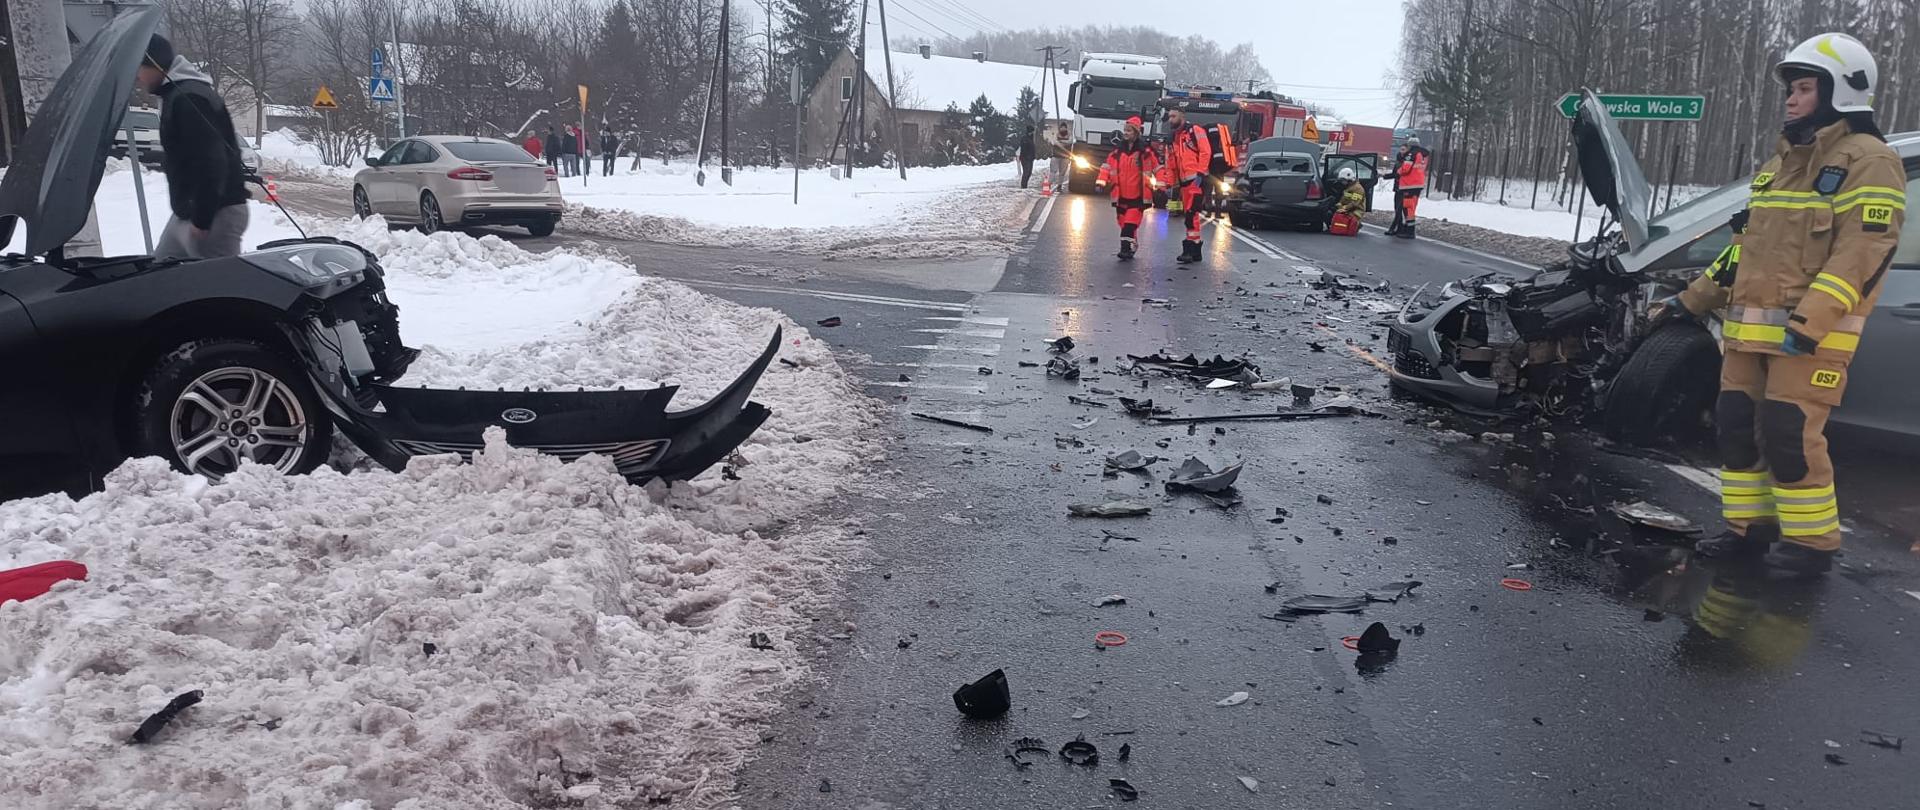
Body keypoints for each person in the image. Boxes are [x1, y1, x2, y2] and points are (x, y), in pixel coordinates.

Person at [1675, 32, 1904, 577]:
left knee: (1788, 432)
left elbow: (1864, 252)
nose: (1792, 98)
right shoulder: (1782, 165)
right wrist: (1691, 300)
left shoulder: (1871, 161)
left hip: (1810, 339)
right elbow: (1744, 249)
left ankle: (1812, 544)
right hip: (1748, 334)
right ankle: (1746, 530)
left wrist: (1810, 323)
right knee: (1734, 424)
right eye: (1793, 89)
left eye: (1805, 88)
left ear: (1839, 91)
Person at [134, 35, 249, 261]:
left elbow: (212, 161)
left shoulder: (190, 99)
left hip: (216, 214)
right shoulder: (177, 95)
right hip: (189, 213)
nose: (137, 77)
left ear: (155, 64)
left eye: (139, 68)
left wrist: (202, 218)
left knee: (217, 290)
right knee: (160, 277)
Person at [1093, 116, 1160, 259]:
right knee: (1123, 224)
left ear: (1136, 132)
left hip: (1138, 197)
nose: (1125, 133)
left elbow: (1158, 169)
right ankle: (1131, 244)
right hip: (1121, 196)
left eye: (1129, 130)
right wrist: (1100, 182)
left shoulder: (1145, 152)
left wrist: (1162, 186)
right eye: (1125, 130)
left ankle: (1125, 250)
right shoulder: (1117, 152)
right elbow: (1106, 168)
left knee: (1129, 226)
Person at [1156, 107, 1214, 263]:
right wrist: (1168, 184)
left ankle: (1189, 250)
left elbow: (1205, 151)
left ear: (1182, 116)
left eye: (1173, 116)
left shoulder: (1195, 131)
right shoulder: (1173, 138)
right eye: (1169, 116)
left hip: (1197, 180)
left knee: (1191, 214)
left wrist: (1201, 173)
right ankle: (1195, 249)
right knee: (1191, 214)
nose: (1170, 119)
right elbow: (1171, 163)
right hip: (1184, 182)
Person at [1381, 136, 1429, 239]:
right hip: (1418, 184)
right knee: (1411, 208)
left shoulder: (1411, 154)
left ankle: (1409, 231)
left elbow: (1405, 169)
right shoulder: (1423, 155)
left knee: (1407, 208)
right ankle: (1407, 229)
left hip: (1409, 184)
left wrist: (1398, 172)